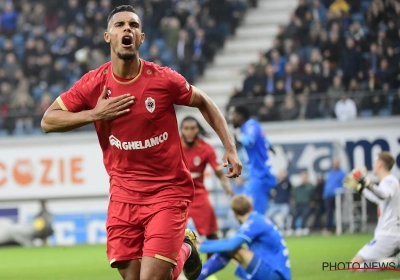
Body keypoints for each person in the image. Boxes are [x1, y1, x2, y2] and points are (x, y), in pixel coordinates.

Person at [41, 5, 242, 280]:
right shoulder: (94, 84)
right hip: (123, 195)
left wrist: (229, 148)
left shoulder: (163, 80)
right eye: (120, 25)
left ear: (141, 37)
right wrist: (95, 114)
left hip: (167, 192)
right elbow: (48, 120)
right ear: (108, 36)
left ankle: (181, 251)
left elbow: (204, 101)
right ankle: (185, 249)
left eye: (133, 25)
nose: (127, 29)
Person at [196, 195, 291, 280]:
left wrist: (200, 247)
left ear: (235, 214)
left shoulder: (253, 222)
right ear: (251, 207)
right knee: (230, 249)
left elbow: (230, 246)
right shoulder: (257, 218)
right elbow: (229, 243)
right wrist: (203, 243)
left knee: (232, 250)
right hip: (274, 270)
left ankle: (195, 277)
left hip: (274, 274)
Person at [180, 116, 233, 245]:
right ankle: (178, 264)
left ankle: (212, 263)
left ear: (198, 129)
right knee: (173, 235)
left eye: (193, 128)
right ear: (181, 130)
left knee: (212, 234)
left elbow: (219, 171)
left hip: (198, 194)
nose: (190, 132)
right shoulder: (174, 145)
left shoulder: (205, 148)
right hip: (178, 195)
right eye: (186, 128)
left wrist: (227, 186)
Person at [344, 152, 400, 267]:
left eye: (375, 162)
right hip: (391, 233)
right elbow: (378, 199)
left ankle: (393, 263)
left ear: (380, 164)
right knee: (362, 265)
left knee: (353, 265)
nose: (373, 165)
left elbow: (383, 195)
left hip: (388, 235)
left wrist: (366, 182)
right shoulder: (389, 181)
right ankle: (390, 262)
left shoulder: (389, 180)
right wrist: (360, 189)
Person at [228, 105, 277, 215]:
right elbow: (265, 140)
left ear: (240, 116)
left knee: (246, 208)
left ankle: (258, 230)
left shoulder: (251, 126)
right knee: (254, 211)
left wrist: (241, 142)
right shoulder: (251, 127)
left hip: (261, 175)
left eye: (232, 114)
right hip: (259, 175)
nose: (230, 118)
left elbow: (249, 139)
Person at [321, 158, 346, 235]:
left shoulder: (342, 173)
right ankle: (329, 228)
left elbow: (344, 185)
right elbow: (327, 184)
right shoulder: (330, 173)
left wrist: (342, 194)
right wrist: (324, 194)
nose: (335, 164)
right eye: (334, 163)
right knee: (329, 213)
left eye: (337, 163)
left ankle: (338, 228)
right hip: (328, 196)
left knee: (338, 213)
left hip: (337, 196)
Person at [290, 171, 314, 235]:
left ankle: (302, 228)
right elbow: (294, 196)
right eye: (303, 177)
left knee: (304, 215)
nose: (304, 179)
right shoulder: (298, 187)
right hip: (298, 205)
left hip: (306, 205)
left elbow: (314, 196)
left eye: (305, 177)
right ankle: (292, 229)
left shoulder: (311, 187)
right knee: (294, 214)